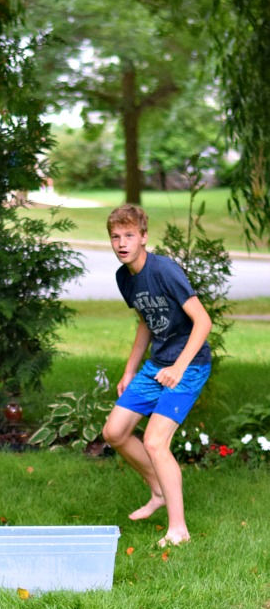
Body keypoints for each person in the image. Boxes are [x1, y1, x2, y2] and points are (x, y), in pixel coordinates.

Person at [101, 204, 212, 547]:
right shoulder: (125, 278)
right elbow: (146, 322)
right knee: (114, 431)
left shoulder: (164, 270)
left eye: (129, 236)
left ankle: (178, 529)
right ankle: (158, 489)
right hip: (157, 364)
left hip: (188, 366)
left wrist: (179, 368)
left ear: (144, 237)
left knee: (154, 441)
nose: (122, 243)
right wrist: (130, 369)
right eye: (116, 237)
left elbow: (203, 322)